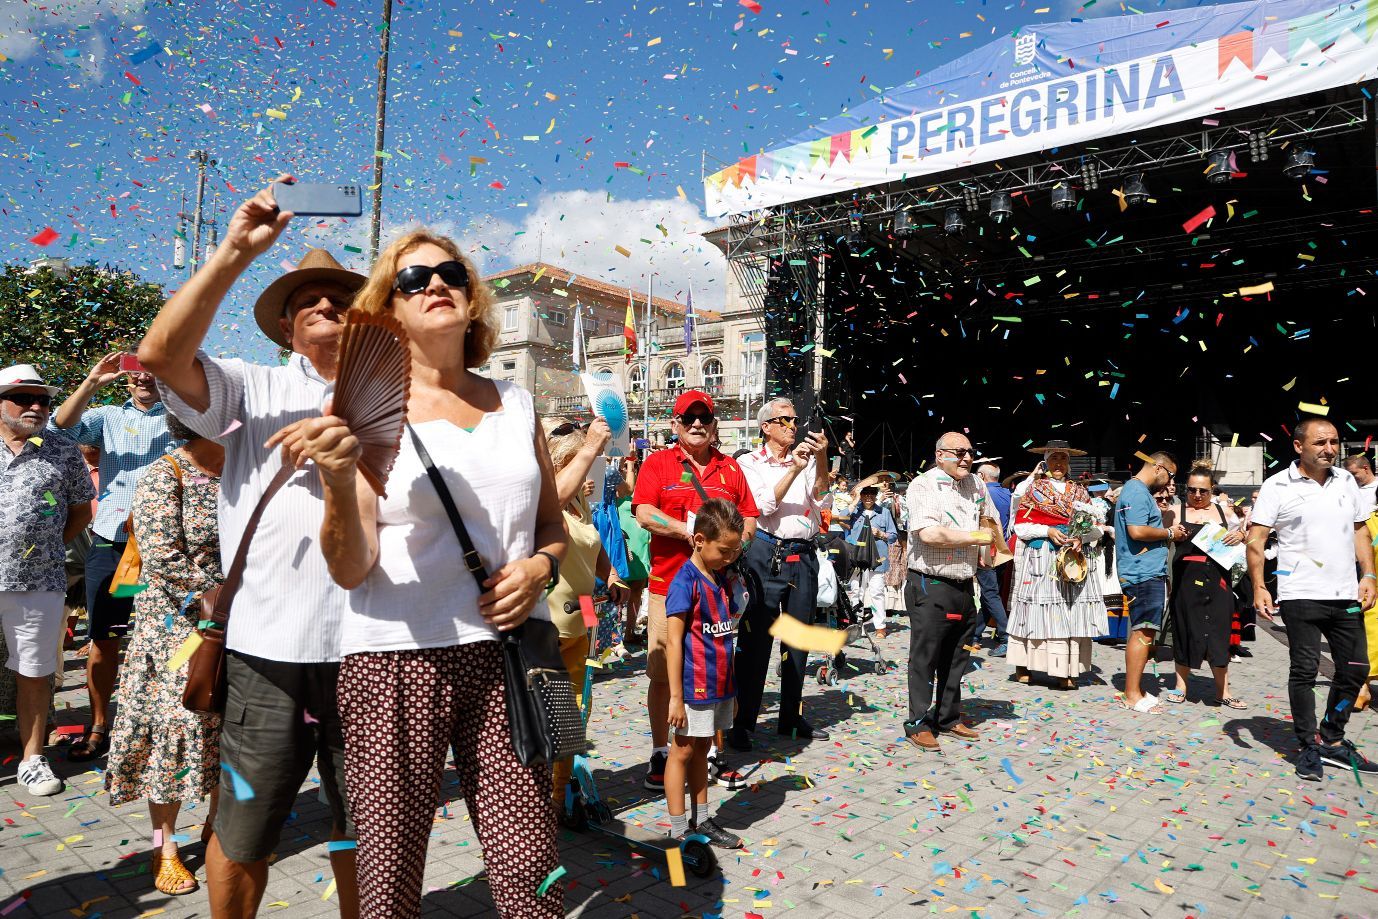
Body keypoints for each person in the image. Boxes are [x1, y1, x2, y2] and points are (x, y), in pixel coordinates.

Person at [291, 229, 567, 918]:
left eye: (449, 273)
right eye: (412, 280)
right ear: (389, 308)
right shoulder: (365, 411)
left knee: (533, 869)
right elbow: (351, 568)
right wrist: (333, 480)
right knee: (387, 884)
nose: (434, 285)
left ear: (472, 299)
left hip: (509, 658)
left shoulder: (518, 403)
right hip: (395, 662)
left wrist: (537, 568)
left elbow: (552, 529)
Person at [139, 181, 362, 919]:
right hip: (267, 654)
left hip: (373, 651)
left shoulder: (399, 399)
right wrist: (236, 250)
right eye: (311, 300)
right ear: (286, 328)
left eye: (343, 298)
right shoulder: (250, 387)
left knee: (366, 832)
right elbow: (161, 354)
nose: (329, 305)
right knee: (242, 835)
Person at [104, 413, 225, 896]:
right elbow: (160, 557)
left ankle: (219, 828)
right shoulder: (166, 472)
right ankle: (165, 846)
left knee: (228, 726)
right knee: (171, 731)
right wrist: (220, 596)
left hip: (237, 621)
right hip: (179, 630)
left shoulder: (243, 473)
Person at [631, 390, 758, 791]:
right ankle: (660, 752)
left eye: (705, 417)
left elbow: (750, 518)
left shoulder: (731, 469)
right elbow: (644, 512)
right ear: (675, 424)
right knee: (664, 674)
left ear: (715, 423)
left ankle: (712, 753)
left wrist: (738, 545)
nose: (697, 424)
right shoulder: (658, 463)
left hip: (719, 592)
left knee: (719, 670)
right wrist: (691, 533)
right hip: (668, 587)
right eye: (689, 418)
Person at [50, 354, 174, 762]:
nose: (145, 376)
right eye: (137, 368)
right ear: (127, 376)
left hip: (166, 544)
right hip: (113, 543)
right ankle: (101, 724)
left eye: (154, 367)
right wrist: (91, 381)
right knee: (104, 636)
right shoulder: (106, 416)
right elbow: (59, 428)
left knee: (173, 636)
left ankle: (168, 722)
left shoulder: (181, 414)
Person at [1248, 418, 1378, 781]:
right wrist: (1259, 586)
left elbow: (1359, 530)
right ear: (1298, 446)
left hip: (1344, 593)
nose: (1330, 449)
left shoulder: (1347, 481)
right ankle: (1308, 746)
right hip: (1300, 594)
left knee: (1355, 669)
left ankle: (1333, 738)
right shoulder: (1277, 486)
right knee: (1304, 671)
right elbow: (1256, 539)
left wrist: (1368, 574)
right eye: (1321, 442)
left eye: (1335, 441)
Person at [0, 364, 95, 795]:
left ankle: (33, 758)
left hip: (38, 578)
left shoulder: (61, 449)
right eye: (24, 398)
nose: (36, 406)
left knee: (35, 671)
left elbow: (79, 511)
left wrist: (42, 545)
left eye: (43, 399)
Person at [731, 398, 830, 752]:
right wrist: (793, 470)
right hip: (766, 552)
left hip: (802, 554)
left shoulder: (804, 459)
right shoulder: (748, 462)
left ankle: (791, 715)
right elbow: (760, 507)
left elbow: (821, 498)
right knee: (756, 641)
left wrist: (818, 459)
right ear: (766, 427)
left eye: (795, 419)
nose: (792, 425)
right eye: (784, 419)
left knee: (797, 639)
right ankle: (742, 722)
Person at [543, 416, 628, 814]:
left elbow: (592, 546)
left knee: (579, 709)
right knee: (553, 711)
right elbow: (551, 503)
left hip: (587, 612)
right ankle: (540, 793)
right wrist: (590, 446)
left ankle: (561, 793)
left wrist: (610, 573)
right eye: (577, 462)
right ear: (560, 465)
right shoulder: (550, 498)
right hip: (551, 621)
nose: (586, 470)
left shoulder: (579, 502)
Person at [901, 432, 1000, 753]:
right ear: (940, 454)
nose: (967, 458)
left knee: (958, 655)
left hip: (964, 581)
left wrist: (992, 546)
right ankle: (917, 722)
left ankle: (947, 716)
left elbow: (990, 524)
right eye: (959, 452)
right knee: (925, 656)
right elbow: (929, 533)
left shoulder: (976, 484)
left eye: (970, 452)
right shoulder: (922, 485)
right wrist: (975, 537)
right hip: (930, 582)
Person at [664, 498, 747, 850]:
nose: (729, 558)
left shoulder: (720, 578)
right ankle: (678, 828)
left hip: (718, 685)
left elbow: (725, 637)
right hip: (692, 687)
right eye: (724, 551)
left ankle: (702, 817)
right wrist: (676, 698)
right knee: (681, 752)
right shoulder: (685, 581)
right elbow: (673, 642)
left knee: (702, 751)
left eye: (734, 552)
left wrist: (733, 692)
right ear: (699, 540)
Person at [1005, 442, 1108, 690]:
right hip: (1044, 558)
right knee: (1038, 612)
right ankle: (1025, 664)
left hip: (1074, 559)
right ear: (1046, 462)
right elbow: (1021, 527)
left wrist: (1080, 537)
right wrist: (1048, 530)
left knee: (1070, 614)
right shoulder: (1034, 490)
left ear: (1068, 462)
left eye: (1063, 458)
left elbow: (1096, 529)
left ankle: (1066, 670)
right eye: (1054, 459)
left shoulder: (1081, 493)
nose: (1059, 463)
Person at [1160, 461, 1246, 709]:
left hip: (1218, 580)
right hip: (1186, 580)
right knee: (1185, 629)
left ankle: (1223, 691)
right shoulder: (1175, 512)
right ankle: (1181, 686)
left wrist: (1240, 535)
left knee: (1219, 632)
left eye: (1203, 491)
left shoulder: (1224, 512)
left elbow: (1245, 537)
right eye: (1192, 490)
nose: (1197, 495)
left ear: (1212, 490)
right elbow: (1160, 540)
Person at [1114, 451, 1186, 714]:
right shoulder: (1136, 491)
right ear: (1158, 468)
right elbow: (1137, 531)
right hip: (1141, 572)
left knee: (1145, 630)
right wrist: (1169, 532)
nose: (1169, 483)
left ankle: (1136, 689)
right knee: (1143, 631)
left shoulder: (1136, 491)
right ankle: (1132, 693)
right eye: (1171, 475)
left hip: (1145, 571)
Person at [847, 486, 897, 635]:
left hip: (877, 558)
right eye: (865, 494)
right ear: (861, 496)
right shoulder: (854, 511)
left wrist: (881, 534)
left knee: (877, 592)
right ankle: (857, 627)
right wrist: (855, 500)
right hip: (857, 558)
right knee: (857, 592)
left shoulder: (884, 512)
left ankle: (880, 627)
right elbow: (840, 517)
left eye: (872, 494)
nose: (868, 497)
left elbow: (893, 535)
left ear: (876, 496)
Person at [975, 461, 1011, 656]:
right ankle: (975, 635)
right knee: (990, 593)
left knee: (990, 594)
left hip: (985, 550)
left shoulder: (982, 495)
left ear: (981, 477)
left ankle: (1007, 637)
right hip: (1002, 549)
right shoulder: (1008, 494)